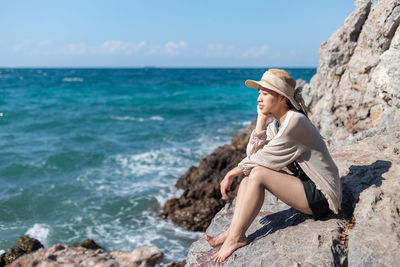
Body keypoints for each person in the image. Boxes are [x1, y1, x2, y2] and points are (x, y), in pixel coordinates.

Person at [205, 69, 342, 263]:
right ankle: (233, 232)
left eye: (265, 93)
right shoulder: (276, 124)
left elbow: (263, 159)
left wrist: (231, 173)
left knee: (258, 173)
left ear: (282, 99)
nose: (259, 99)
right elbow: (253, 156)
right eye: (259, 93)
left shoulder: (295, 122)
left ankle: (236, 238)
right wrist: (260, 122)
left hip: (322, 196)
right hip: (303, 187)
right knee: (250, 175)